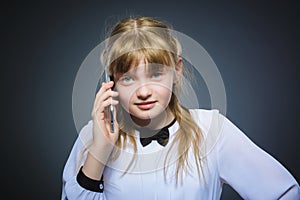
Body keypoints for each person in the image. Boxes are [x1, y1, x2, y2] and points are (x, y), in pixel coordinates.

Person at [61, 16, 299, 200]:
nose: (143, 92)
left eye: (155, 74)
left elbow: (283, 192)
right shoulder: (91, 136)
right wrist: (100, 151)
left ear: (177, 70)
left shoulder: (211, 131)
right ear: (110, 80)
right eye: (128, 78)